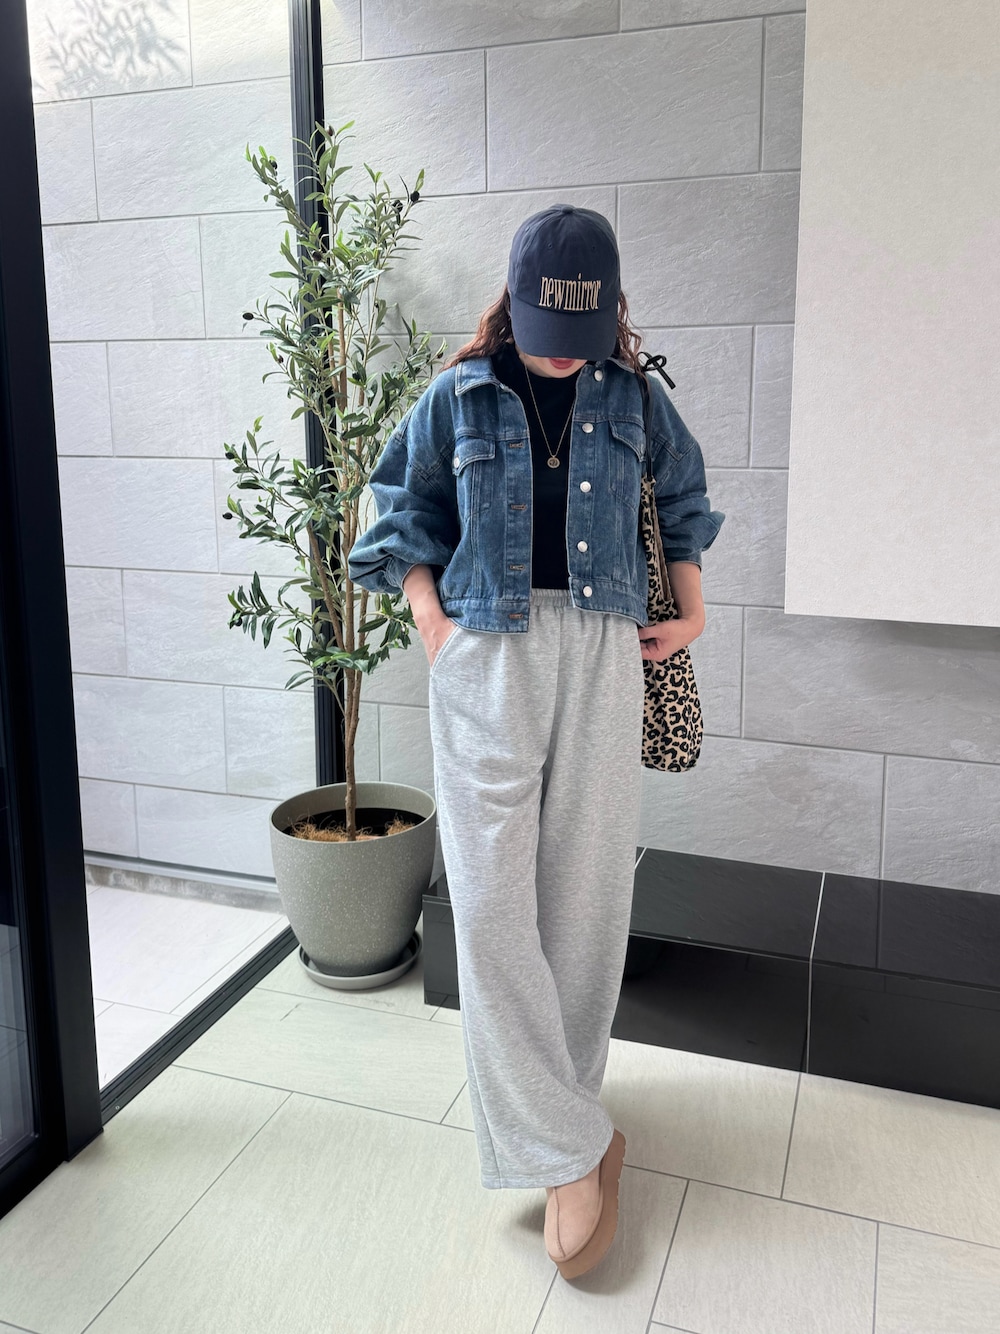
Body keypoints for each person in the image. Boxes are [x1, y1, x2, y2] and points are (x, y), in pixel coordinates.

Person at [347, 204, 725, 1279]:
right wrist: (433, 622)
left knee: (586, 893)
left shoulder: (633, 397)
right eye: (547, 327)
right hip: (487, 651)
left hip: (605, 650)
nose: (565, 350)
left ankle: (567, 1128)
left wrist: (692, 610)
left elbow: (684, 501)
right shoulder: (461, 393)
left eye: (584, 330)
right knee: (488, 903)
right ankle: (569, 1148)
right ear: (510, 303)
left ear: (611, 311)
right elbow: (395, 508)